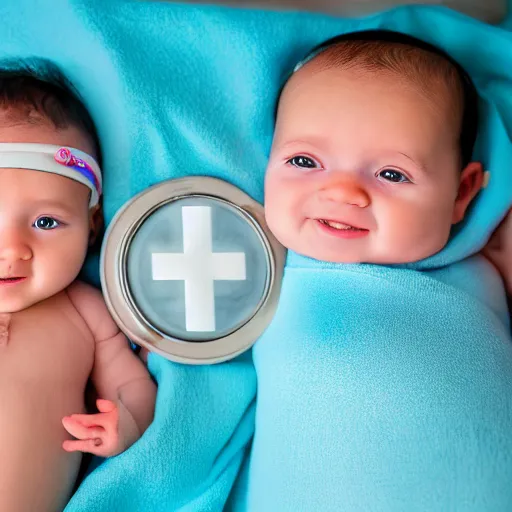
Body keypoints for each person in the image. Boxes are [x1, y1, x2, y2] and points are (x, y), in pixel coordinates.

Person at [0, 65, 157, 512]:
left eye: (45, 222)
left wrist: (125, 424)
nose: (12, 249)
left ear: (91, 225)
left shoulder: (86, 312)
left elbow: (132, 385)